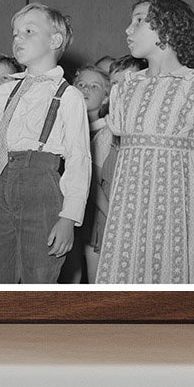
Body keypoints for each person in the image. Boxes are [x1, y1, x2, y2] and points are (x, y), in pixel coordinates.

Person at [96, 0, 194, 285]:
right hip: (130, 203)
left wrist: (178, 193)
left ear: (168, 29)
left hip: (175, 204)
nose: (128, 29)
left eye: (139, 20)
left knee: (170, 265)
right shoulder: (126, 89)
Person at [0, 4, 90, 284]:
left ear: (54, 40)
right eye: (15, 33)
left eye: (28, 31)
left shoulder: (69, 96)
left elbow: (79, 160)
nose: (18, 38)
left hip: (39, 188)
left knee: (38, 275)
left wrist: (69, 217)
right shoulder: (6, 91)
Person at [69, 64, 113, 285]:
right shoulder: (65, 127)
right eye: (81, 84)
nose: (85, 89)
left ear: (106, 98)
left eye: (94, 86)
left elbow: (95, 182)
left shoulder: (106, 133)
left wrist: (112, 217)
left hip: (94, 217)